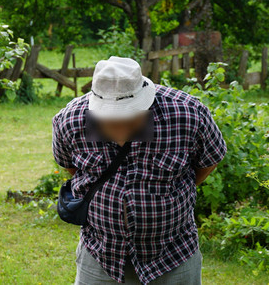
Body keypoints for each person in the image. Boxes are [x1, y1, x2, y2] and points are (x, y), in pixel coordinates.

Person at [53, 56, 226, 285]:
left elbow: (209, 161)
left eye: (130, 116)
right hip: (100, 255)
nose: (121, 127)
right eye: (112, 119)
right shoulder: (69, 121)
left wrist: (170, 198)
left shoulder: (189, 114)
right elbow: (70, 167)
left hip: (173, 255)